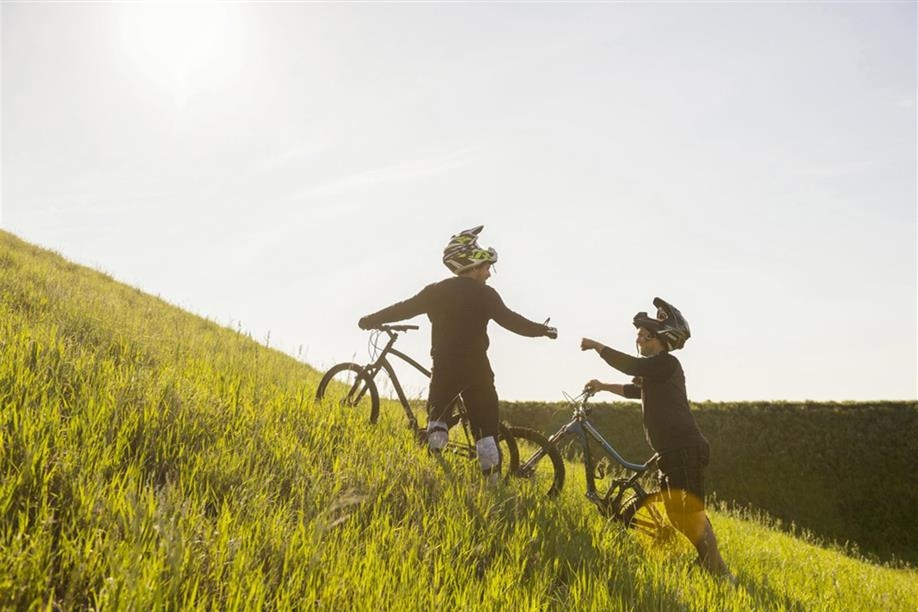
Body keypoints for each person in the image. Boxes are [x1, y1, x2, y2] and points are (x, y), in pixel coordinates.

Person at [358, 225, 557, 483]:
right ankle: (493, 488)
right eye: (486, 267)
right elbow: (512, 321)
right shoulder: (486, 294)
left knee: (437, 425)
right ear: (471, 263)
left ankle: (432, 476)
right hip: (477, 369)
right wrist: (542, 330)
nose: (488, 274)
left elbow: (402, 309)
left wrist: (369, 320)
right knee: (486, 432)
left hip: (445, 367)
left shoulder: (435, 291)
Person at [580, 298, 733, 580]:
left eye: (643, 334)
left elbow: (629, 366)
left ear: (658, 339)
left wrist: (597, 346)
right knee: (678, 515)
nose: (637, 338)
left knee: (690, 512)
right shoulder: (655, 371)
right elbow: (633, 390)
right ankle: (710, 564)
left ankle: (720, 572)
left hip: (684, 447)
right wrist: (603, 386)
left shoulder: (665, 363)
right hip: (671, 451)